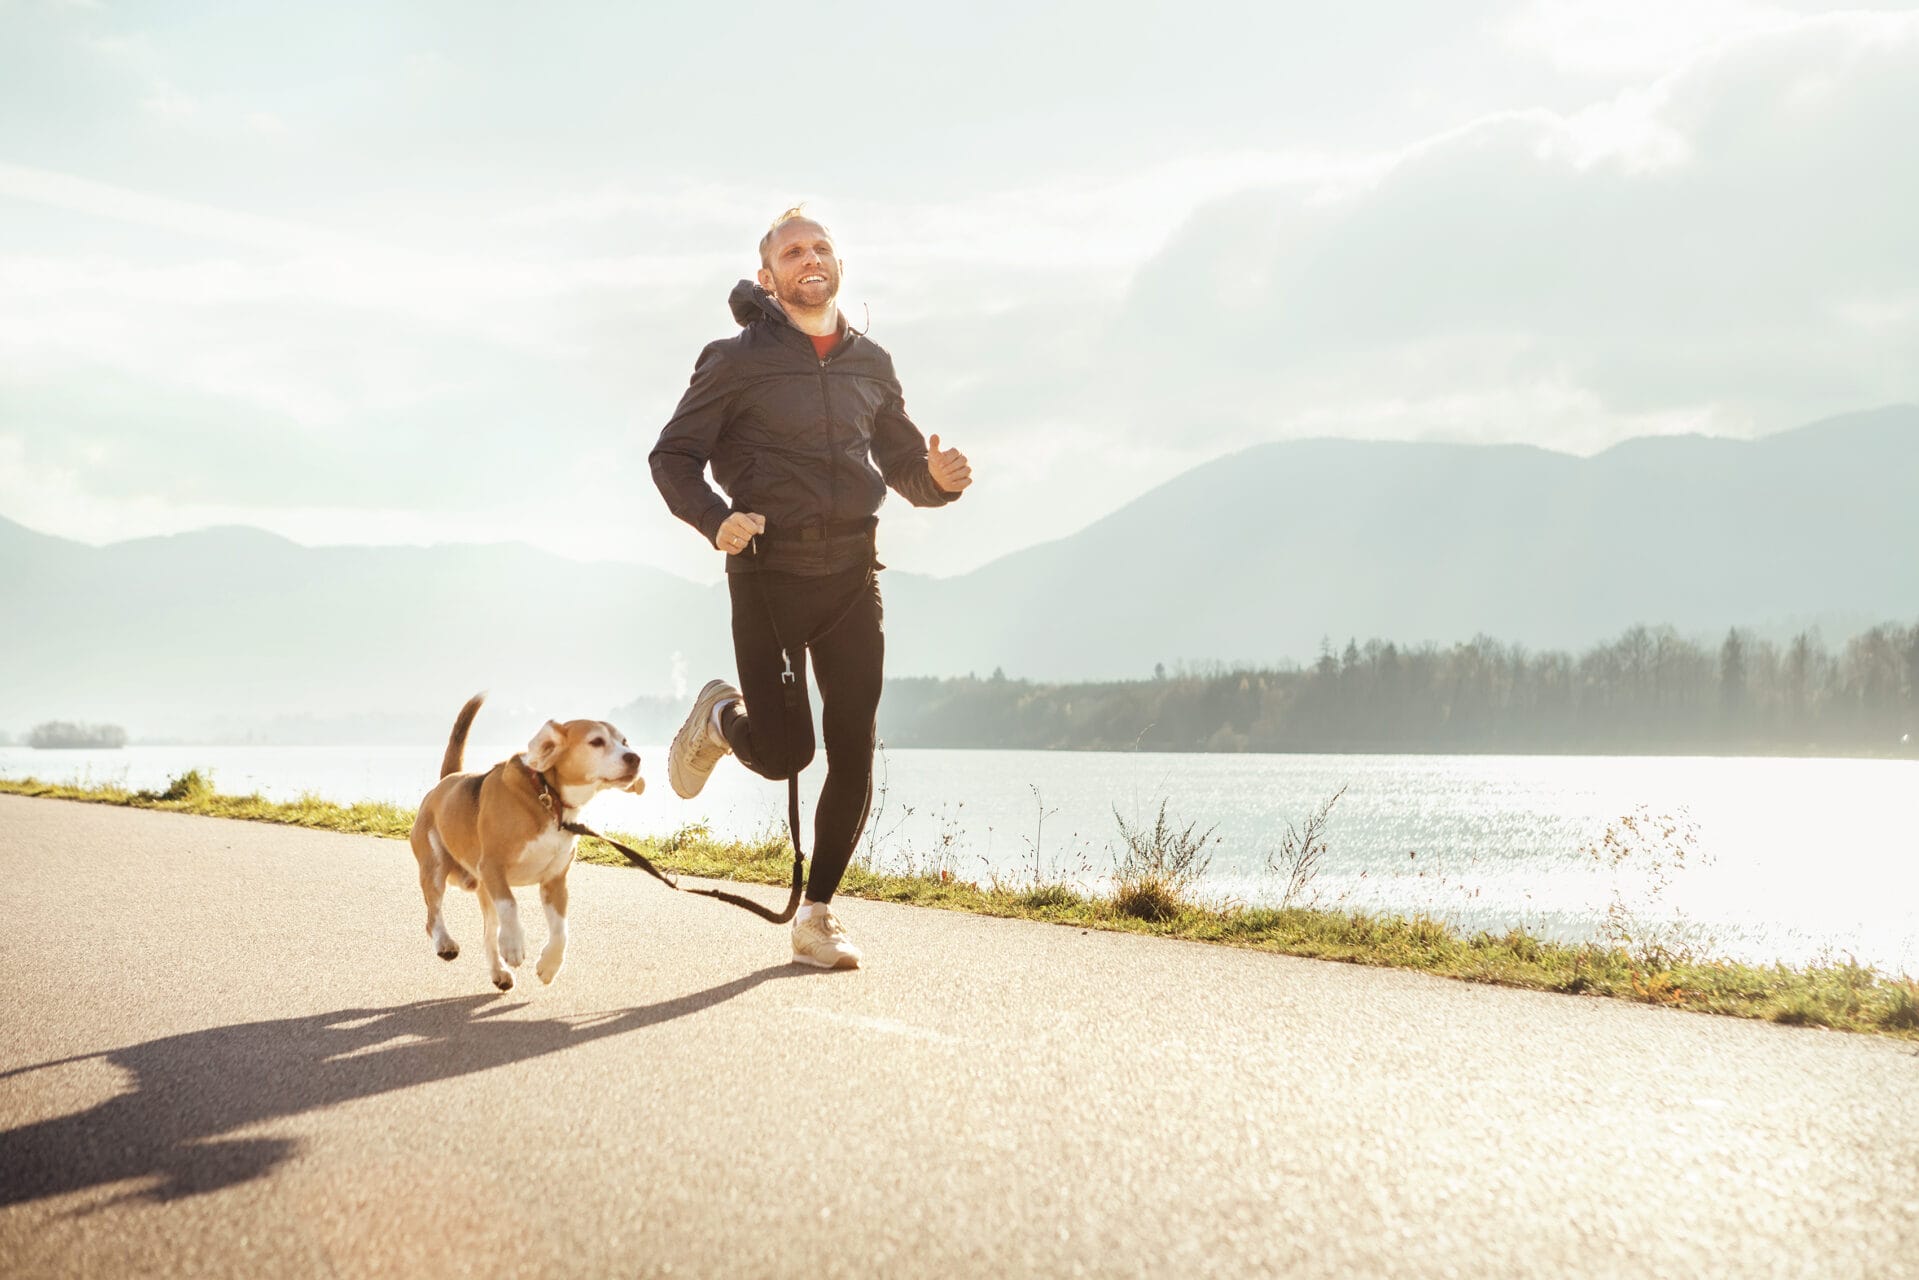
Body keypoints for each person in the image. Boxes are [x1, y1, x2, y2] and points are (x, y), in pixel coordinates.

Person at [650, 206, 973, 969]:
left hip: (853, 574)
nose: (810, 257)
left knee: (853, 745)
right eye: (792, 251)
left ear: (837, 265)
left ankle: (819, 917)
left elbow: (899, 463)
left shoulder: (872, 363)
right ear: (768, 278)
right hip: (767, 572)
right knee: (787, 752)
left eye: (820, 246)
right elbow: (672, 457)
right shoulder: (733, 361)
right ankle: (722, 718)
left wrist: (935, 482)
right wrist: (714, 520)